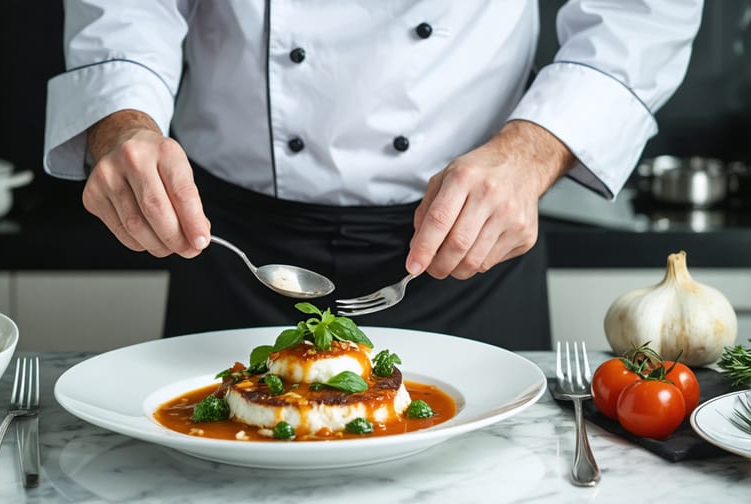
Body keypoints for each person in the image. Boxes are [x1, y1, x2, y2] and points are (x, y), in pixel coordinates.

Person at [43, 1, 703, 350]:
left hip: (471, 241)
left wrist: (534, 151)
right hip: (227, 241)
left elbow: (641, 11)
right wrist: (122, 122)